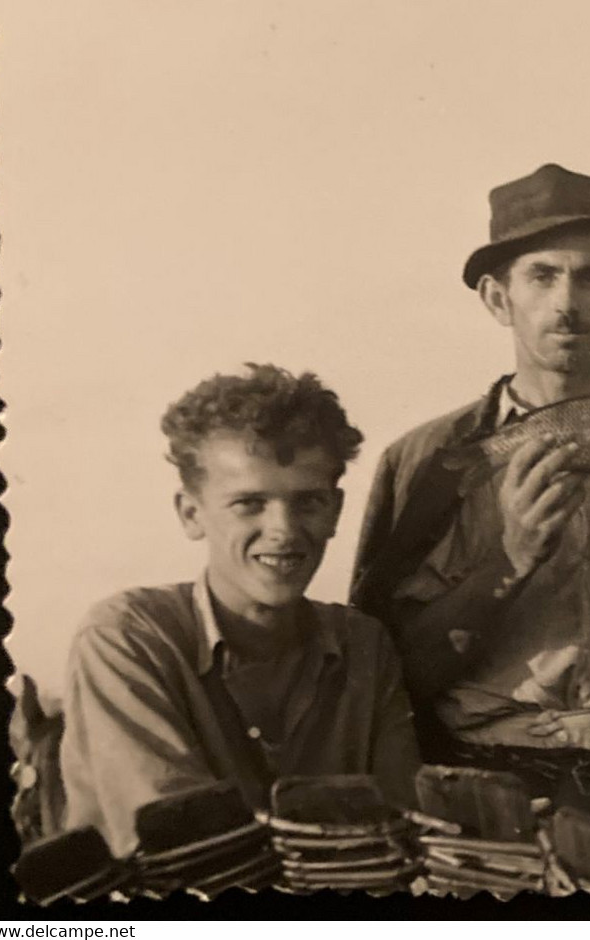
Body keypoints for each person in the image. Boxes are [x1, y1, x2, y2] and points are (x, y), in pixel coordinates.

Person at [349, 164, 590, 896]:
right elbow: (388, 673)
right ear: (497, 299)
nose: (567, 304)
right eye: (541, 277)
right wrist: (509, 563)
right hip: (484, 803)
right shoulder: (429, 464)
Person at [61, 364, 420, 857]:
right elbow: (183, 850)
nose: (284, 530)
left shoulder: (364, 646)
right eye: (249, 503)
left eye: (308, 502)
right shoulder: (126, 637)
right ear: (191, 514)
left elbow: (401, 832)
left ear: (335, 512)